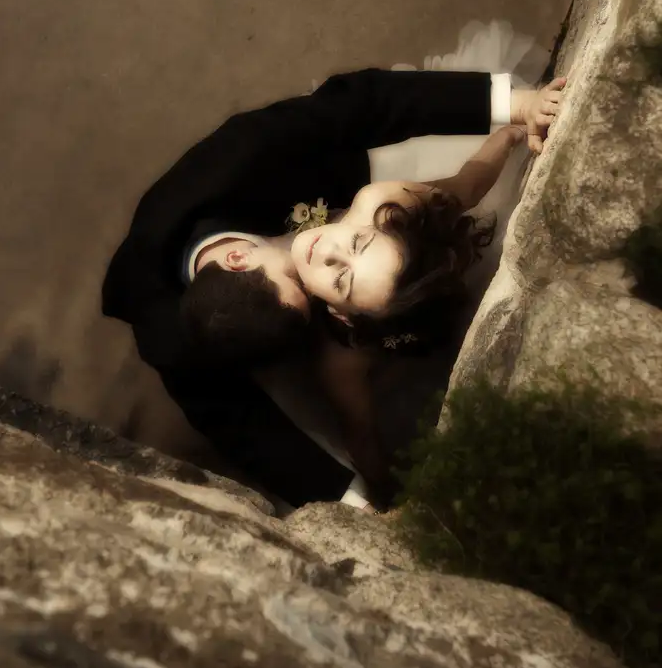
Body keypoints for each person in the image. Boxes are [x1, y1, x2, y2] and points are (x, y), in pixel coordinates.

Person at [102, 47, 564, 509]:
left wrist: (516, 111)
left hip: (329, 203)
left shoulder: (248, 160)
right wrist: (359, 503)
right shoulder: (171, 338)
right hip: (318, 339)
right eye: (317, 289)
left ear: (239, 257)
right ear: (336, 314)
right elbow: (242, 429)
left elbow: (365, 105)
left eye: (295, 277)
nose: (320, 255)